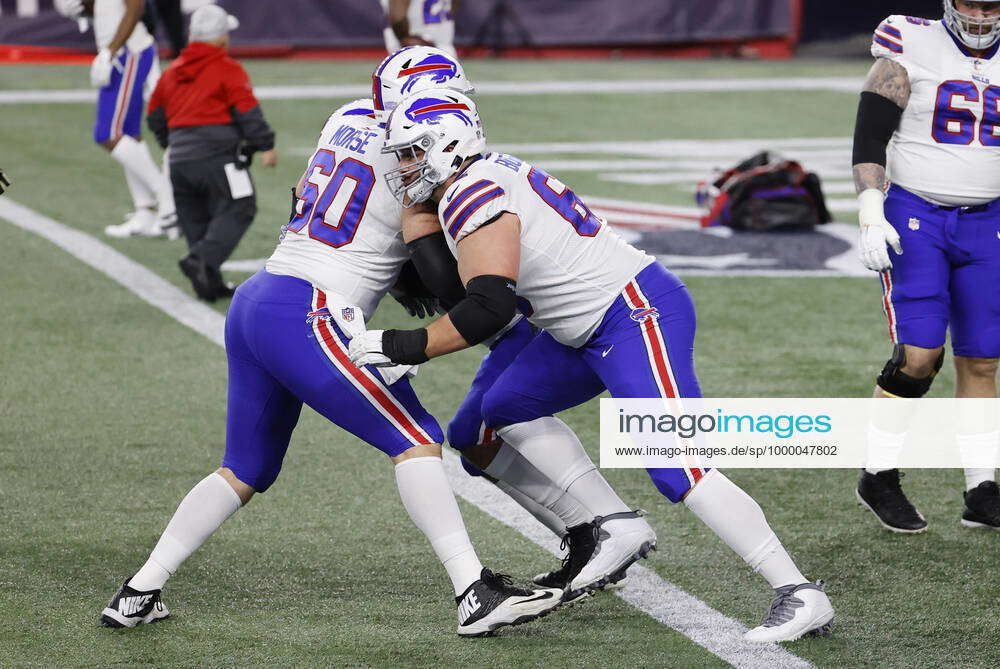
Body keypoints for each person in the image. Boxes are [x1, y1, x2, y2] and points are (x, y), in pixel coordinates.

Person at [349, 89, 835, 642]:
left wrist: (402, 346)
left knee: (675, 465)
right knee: (501, 408)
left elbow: (488, 307)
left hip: (633, 313)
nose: (405, 165)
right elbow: (457, 289)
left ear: (449, 143)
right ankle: (611, 526)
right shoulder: (471, 180)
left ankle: (798, 591)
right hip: (578, 329)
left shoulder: (473, 190)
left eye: (414, 152)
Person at [99, 90, 563, 636]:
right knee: (416, 437)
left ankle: (138, 590)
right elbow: (431, 261)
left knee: (246, 467)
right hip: (310, 310)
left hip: (259, 297)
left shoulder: (345, 117)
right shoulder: (413, 146)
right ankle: (472, 592)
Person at [375, 47, 652, 602]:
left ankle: (610, 524)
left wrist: (413, 226)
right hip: (532, 315)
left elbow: (464, 298)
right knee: (472, 435)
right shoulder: (444, 151)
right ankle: (586, 531)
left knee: (671, 449)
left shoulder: (461, 174)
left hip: (549, 315)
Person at [852, 2, 1000, 533]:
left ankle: (981, 487)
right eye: (972, 3)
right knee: (920, 354)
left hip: (989, 220)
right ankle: (878, 473)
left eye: (992, 4)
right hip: (916, 211)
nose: (981, 15)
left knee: (984, 359)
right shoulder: (908, 41)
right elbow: (871, 133)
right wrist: (871, 209)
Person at [146, 5, 276, 302]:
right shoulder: (227, 69)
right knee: (241, 205)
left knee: (197, 220)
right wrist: (264, 144)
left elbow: (154, 116)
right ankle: (201, 262)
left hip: (179, 160)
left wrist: (172, 144)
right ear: (222, 39)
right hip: (218, 157)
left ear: (192, 35)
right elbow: (247, 112)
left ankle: (209, 283)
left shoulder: (172, 73)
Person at [53, 0, 175, 238]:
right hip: (122, 51)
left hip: (128, 52)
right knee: (129, 134)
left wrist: (111, 50)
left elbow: (136, 6)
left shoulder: (122, 48)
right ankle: (145, 211)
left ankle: (166, 196)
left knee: (108, 134)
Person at [380, 0, 456, 55]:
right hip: (446, 48)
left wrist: (404, 37)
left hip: (413, 47)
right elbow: (454, 5)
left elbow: (397, 17)